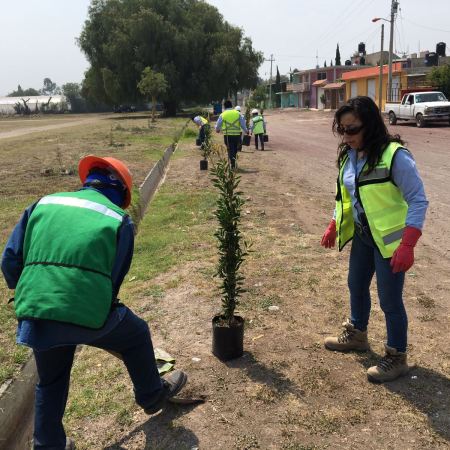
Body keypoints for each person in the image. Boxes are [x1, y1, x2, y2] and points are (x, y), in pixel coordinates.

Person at [1, 156, 188, 450]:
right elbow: (114, 278)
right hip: (89, 311)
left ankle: (48, 445)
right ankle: (152, 396)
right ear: (122, 192)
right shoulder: (118, 219)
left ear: (88, 180)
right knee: (136, 334)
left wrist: (33, 290)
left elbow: (10, 261)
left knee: (51, 380)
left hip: (36, 310)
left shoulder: (43, 203)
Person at [320, 96, 428, 383]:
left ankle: (397, 356)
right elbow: (345, 196)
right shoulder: (350, 155)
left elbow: (418, 200)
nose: (346, 136)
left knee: (390, 301)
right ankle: (357, 334)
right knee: (355, 285)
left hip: (390, 243)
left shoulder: (395, 155)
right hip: (363, 237)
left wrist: (408, 244)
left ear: (370, 124)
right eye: (342, 130)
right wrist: (334, 223)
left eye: (352, 129)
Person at [215, 100, 248, 169]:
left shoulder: (223, 114)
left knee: (230, 149)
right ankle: (233, 163)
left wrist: (217, 130)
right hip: (237, 135)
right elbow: (243, 124)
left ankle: (232, 164)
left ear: (224, 106)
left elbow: (218, 125)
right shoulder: (238, 113)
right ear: (231, 106)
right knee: (235, 150)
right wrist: (246, 131)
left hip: (227, 136)